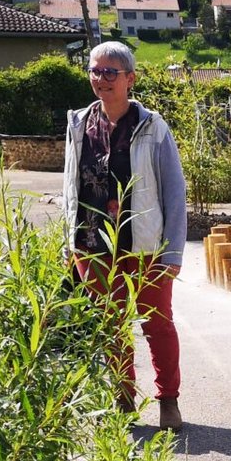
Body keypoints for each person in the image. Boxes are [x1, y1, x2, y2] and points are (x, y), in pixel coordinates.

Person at [63, 41, 188, 432]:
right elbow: (70, 184)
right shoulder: (79, 123)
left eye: (110, 73)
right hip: (93, 243)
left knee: (157, 322)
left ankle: (168, 400)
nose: (101, 79)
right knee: (110, 324)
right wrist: (70, 241)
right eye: (95, 71)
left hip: (145, 244)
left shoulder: (152, 126)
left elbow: (174, 191)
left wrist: (174, 252)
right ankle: (123, 398)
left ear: (130, 78)